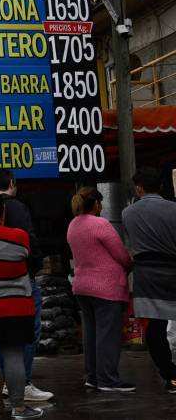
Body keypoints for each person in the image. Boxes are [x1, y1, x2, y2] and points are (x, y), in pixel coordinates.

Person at [0, 170, 52, 402]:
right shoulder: (18, 226)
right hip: (16, 292)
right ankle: (20, 399)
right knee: (17, 345)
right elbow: (32, 251)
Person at [67, 187, 136, 392]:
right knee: (108, 335)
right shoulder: (100, 224)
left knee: (91, 333)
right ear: (96, 204)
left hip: (82, 286)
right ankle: (108, 379)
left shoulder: (73, 225)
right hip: (105, 287)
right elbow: (121, 254)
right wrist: (129, 265)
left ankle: (93, 377)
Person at [121, 167, 176, 393]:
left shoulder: (127, 213)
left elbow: (130, 244)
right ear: (161, 186)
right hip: (173, 269)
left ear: (139, 188)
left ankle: (170, 375)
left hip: (145, 274)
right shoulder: (174, 209)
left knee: (154, 328)